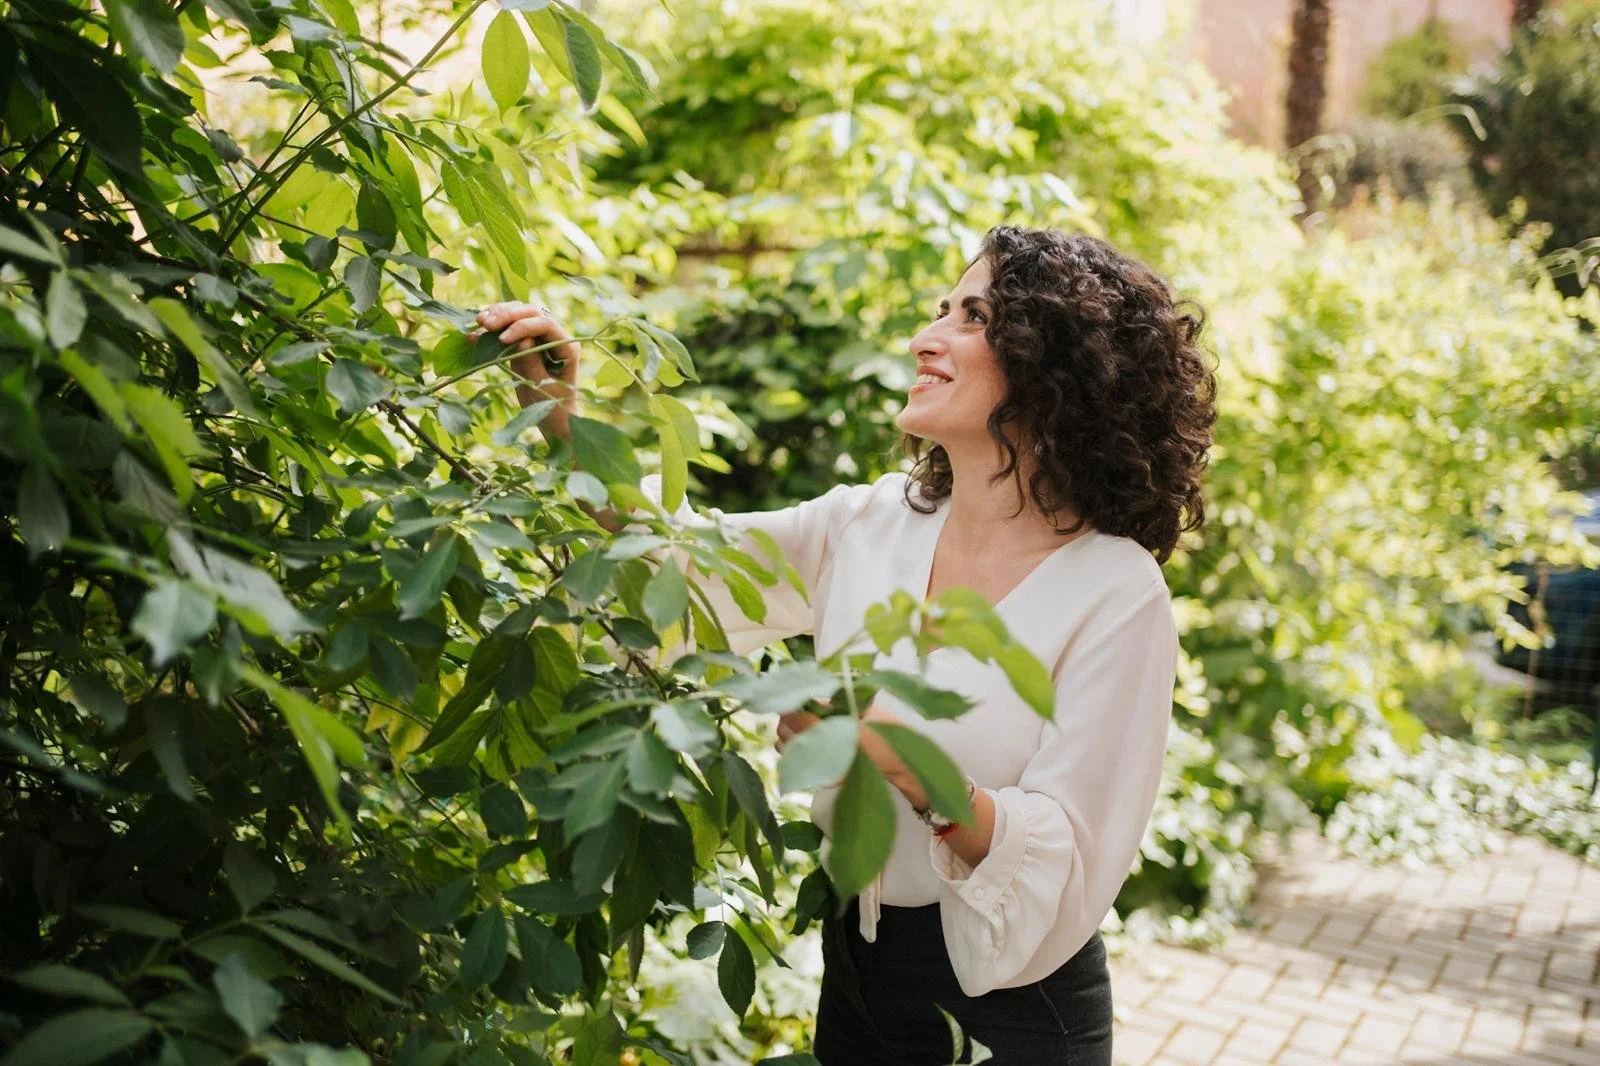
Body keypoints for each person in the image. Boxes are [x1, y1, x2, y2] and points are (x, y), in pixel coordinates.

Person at [471, 224, 1217, 1065]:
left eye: (972, 318)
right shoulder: (871, 525)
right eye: (941, 310)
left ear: (1055, 372)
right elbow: (676, 562)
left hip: (1013, 1002)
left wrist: (896, 757)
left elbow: (1072, 854)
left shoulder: (1114, 592)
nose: (924, 338)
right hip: (857, 968)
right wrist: (561, 416)